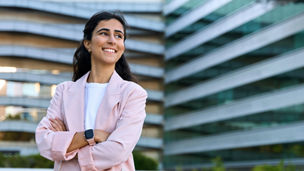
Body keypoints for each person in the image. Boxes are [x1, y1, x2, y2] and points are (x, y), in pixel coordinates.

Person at [35, 11, 147, 171]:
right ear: (88, 43)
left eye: (118, 36)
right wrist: (91, 135)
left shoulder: (133, 93)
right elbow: (44, 141)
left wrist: (67, 151)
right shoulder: (64, 91)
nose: (112, 40)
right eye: (104, 33)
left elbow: (118, 151)